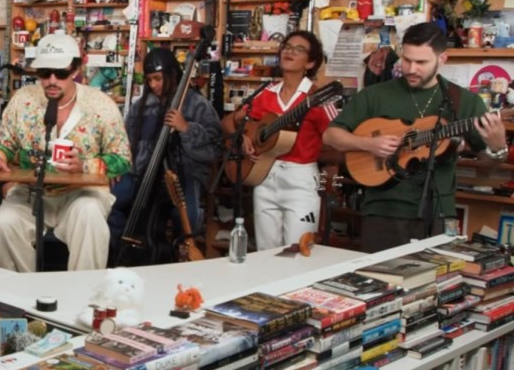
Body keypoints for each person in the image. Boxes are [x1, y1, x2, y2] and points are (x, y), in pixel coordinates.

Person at [324, 23, 506, 252]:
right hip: (383, 211)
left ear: (442, 59)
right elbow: (330, 135)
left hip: (438, 212)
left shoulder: (464, 101)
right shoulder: (376, 95)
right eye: (407, 60)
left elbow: (488, 164)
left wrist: (498, 147)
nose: (411, 69)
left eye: (421, 62)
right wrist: (368, 144)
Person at [0, 33, 131, 272]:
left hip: (82, 193)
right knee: (3, 223)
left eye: (61, 73)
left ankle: (82, 291)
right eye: (45, 73)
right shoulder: (22, 100)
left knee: (90, 216)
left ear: (76, 70)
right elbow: (3, 141)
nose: (52, 81)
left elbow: (122, 159)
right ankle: (23, 290)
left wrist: (84, 165)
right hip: (31, 191)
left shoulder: (101, 105)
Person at [221, 31, 331, 250]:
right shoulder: (266, 93)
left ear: (310, 63)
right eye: (287, 47)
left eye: (299, 49)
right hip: (265, 176)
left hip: (301, 181)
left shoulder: (317, 97)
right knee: (265, 252)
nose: (290, 52)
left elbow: (335, 137)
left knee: (298, 251)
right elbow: (227, 122)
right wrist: (241, 138)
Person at [109, 48, 221, 255]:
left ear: (172, 74)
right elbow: (125, 143)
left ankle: (180, 254)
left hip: (183, 176)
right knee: (109, 200)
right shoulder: (139, 108)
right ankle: (120, 251)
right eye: (149, 80)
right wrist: (118, 166)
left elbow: (214, 148)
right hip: (141, 174)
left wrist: (186, 129)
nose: (153, 85)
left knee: (188, 216)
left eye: (158, 79)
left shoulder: (198, 105)